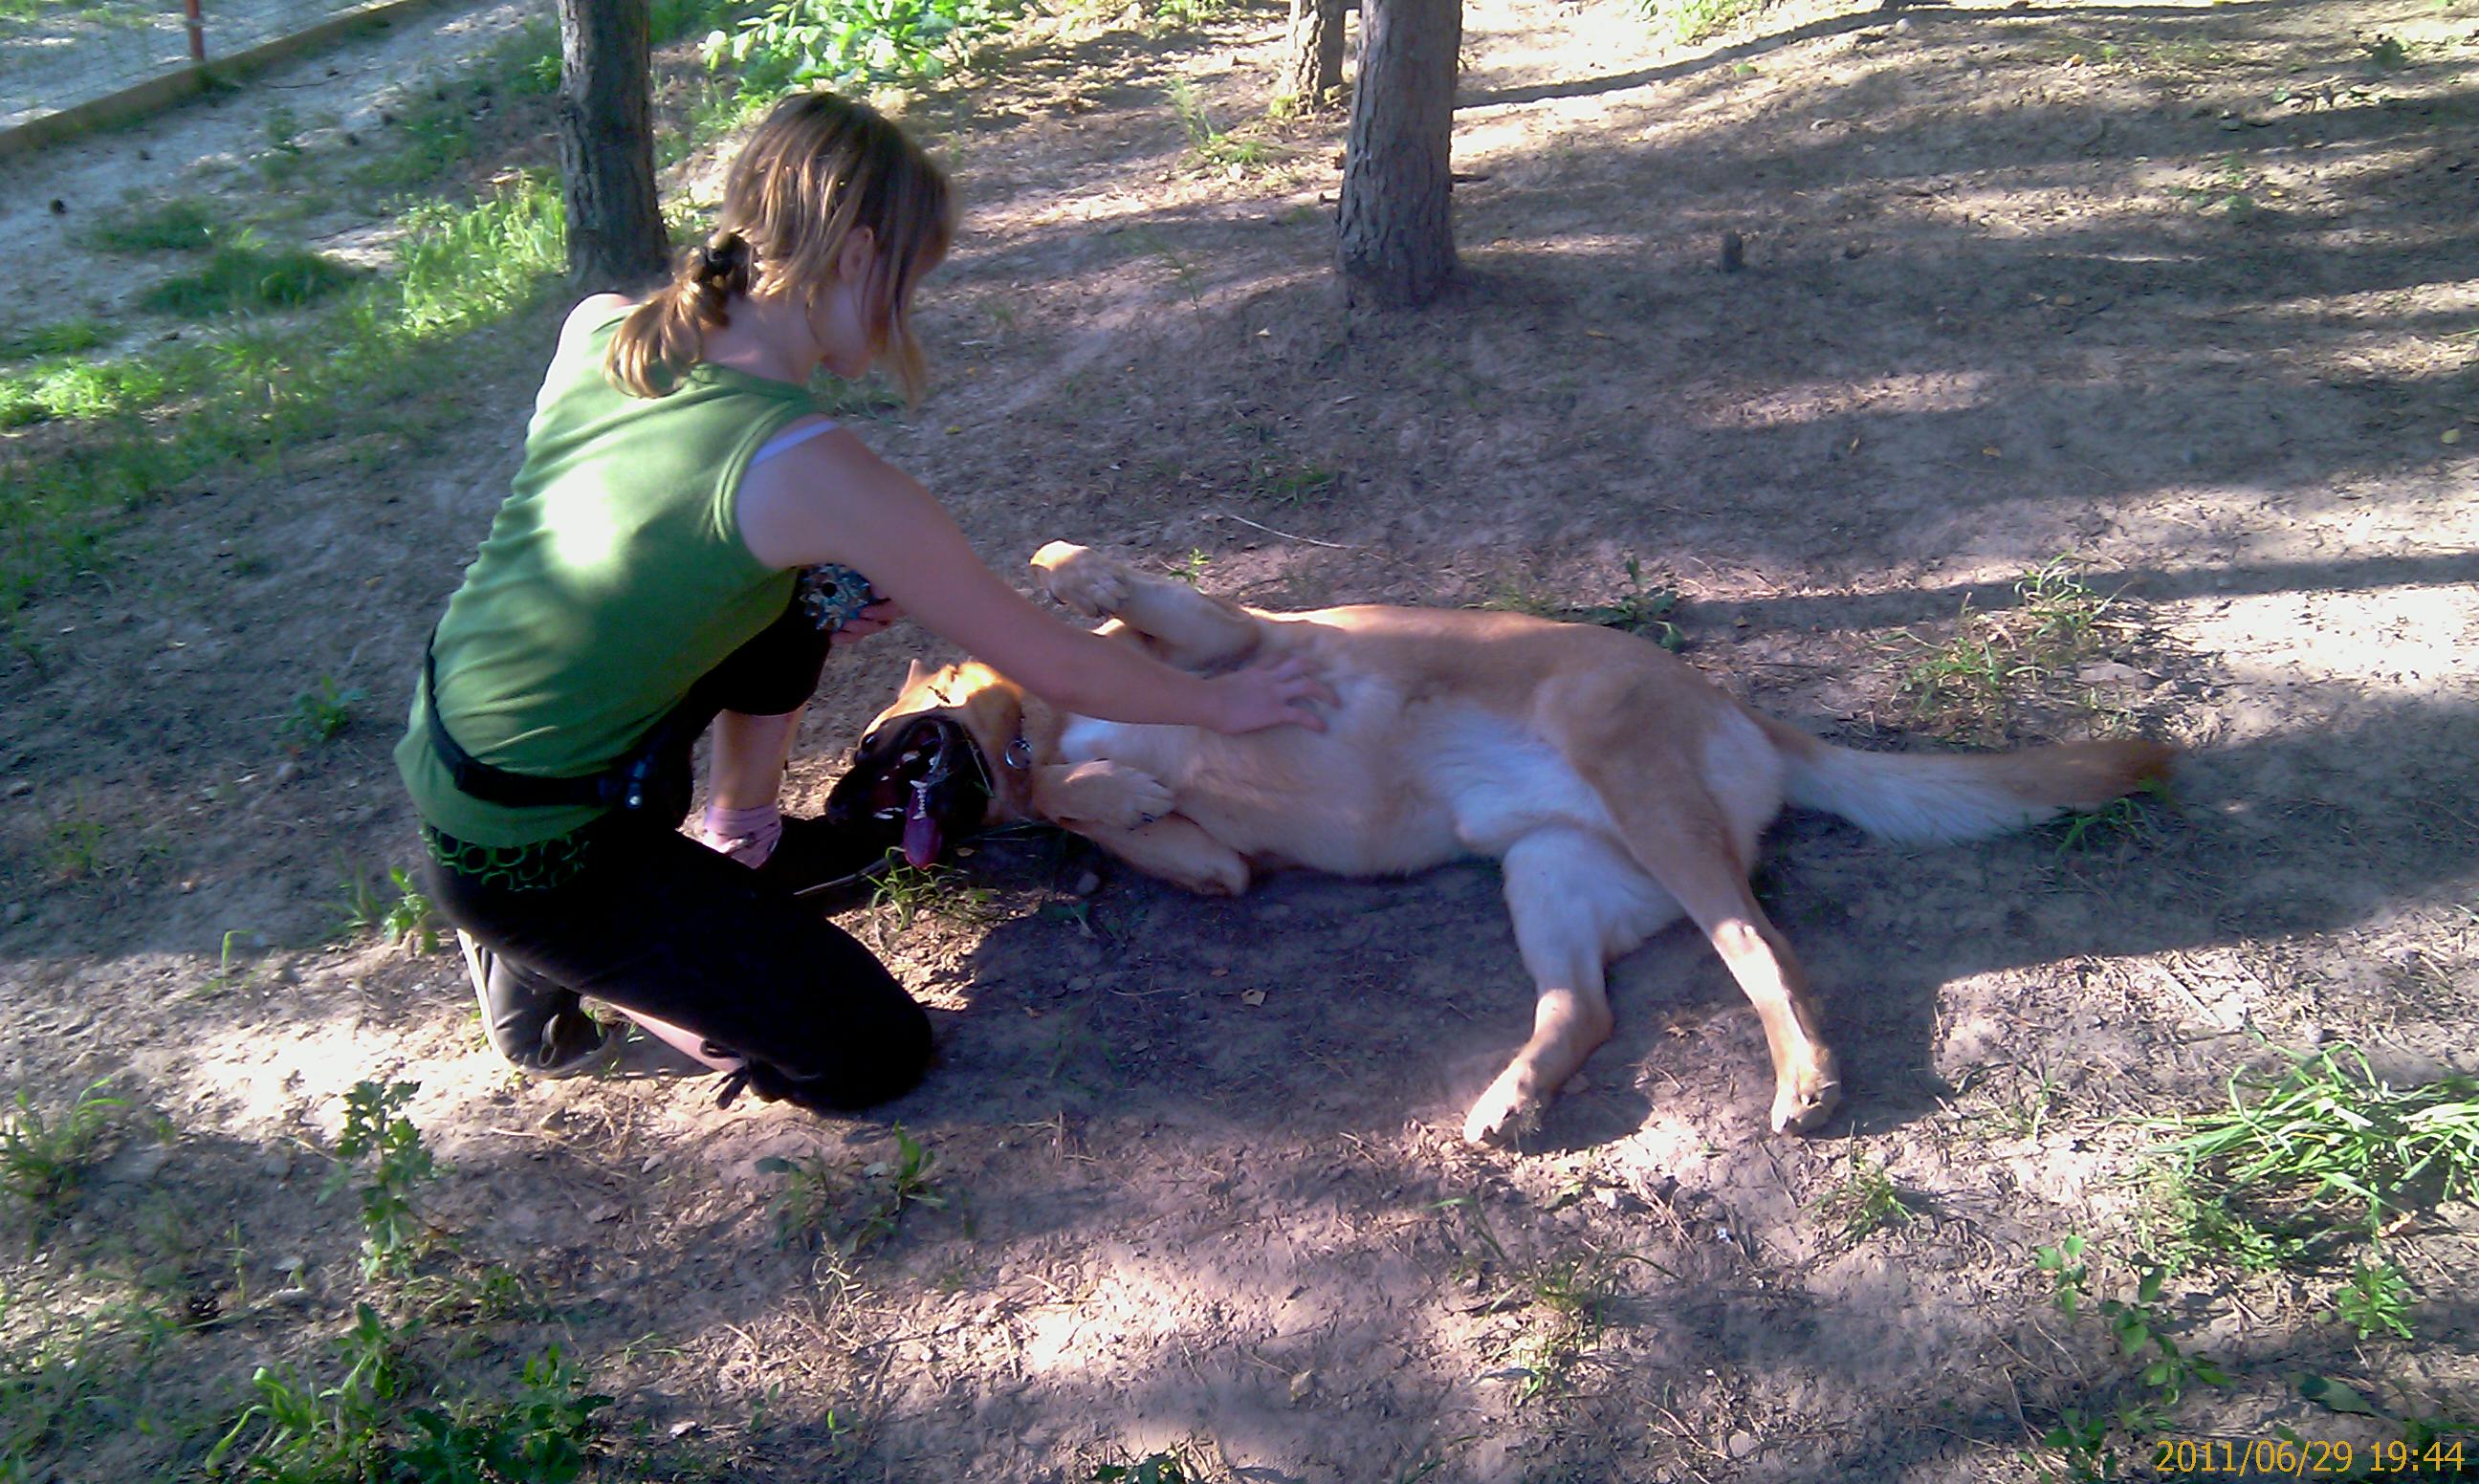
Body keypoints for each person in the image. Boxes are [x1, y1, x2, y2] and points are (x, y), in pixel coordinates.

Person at [397, 92, 1330, 1115]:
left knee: (811, 589)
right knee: (870, 1053)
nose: (903, 320)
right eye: (908, 283)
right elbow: (1052, 661)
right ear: (855, 255)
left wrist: (798, 594)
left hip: (462, 738)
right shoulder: (811, 470)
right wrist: (1223, 702)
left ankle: (738, 836)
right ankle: (551, 966)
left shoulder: (604, 327)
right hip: (534, 851)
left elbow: (615, 542)